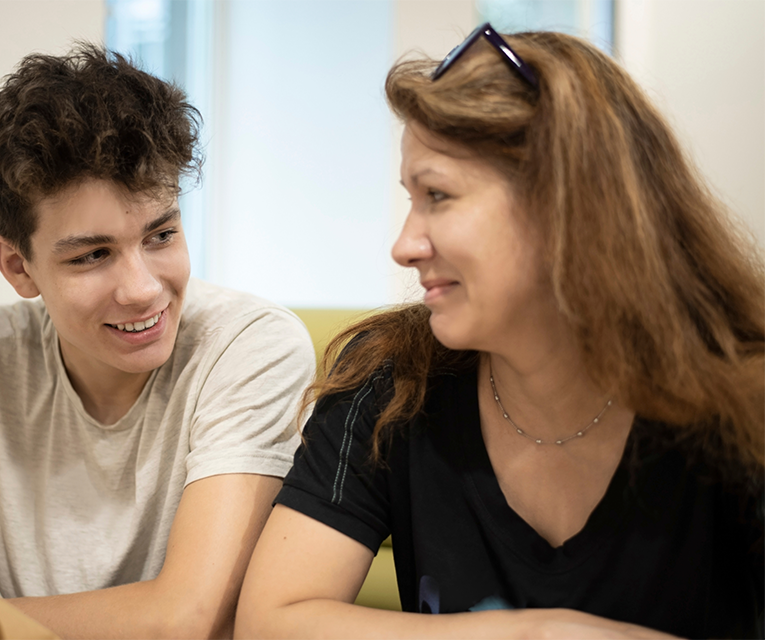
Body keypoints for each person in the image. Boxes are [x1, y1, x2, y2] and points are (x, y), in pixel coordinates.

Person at [236, 25, 764, 639]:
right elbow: (273, 622)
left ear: (566, 206)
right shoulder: (391, 380)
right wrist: (534, 634)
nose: (404, 246)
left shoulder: (742, 399)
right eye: (411, 198)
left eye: (438, 195)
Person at [0, 44, 315, 638]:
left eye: (161, 234)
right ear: (18, 267)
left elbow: (185, 617)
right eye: (92, 255)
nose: (144, 289)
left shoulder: (253, 347)